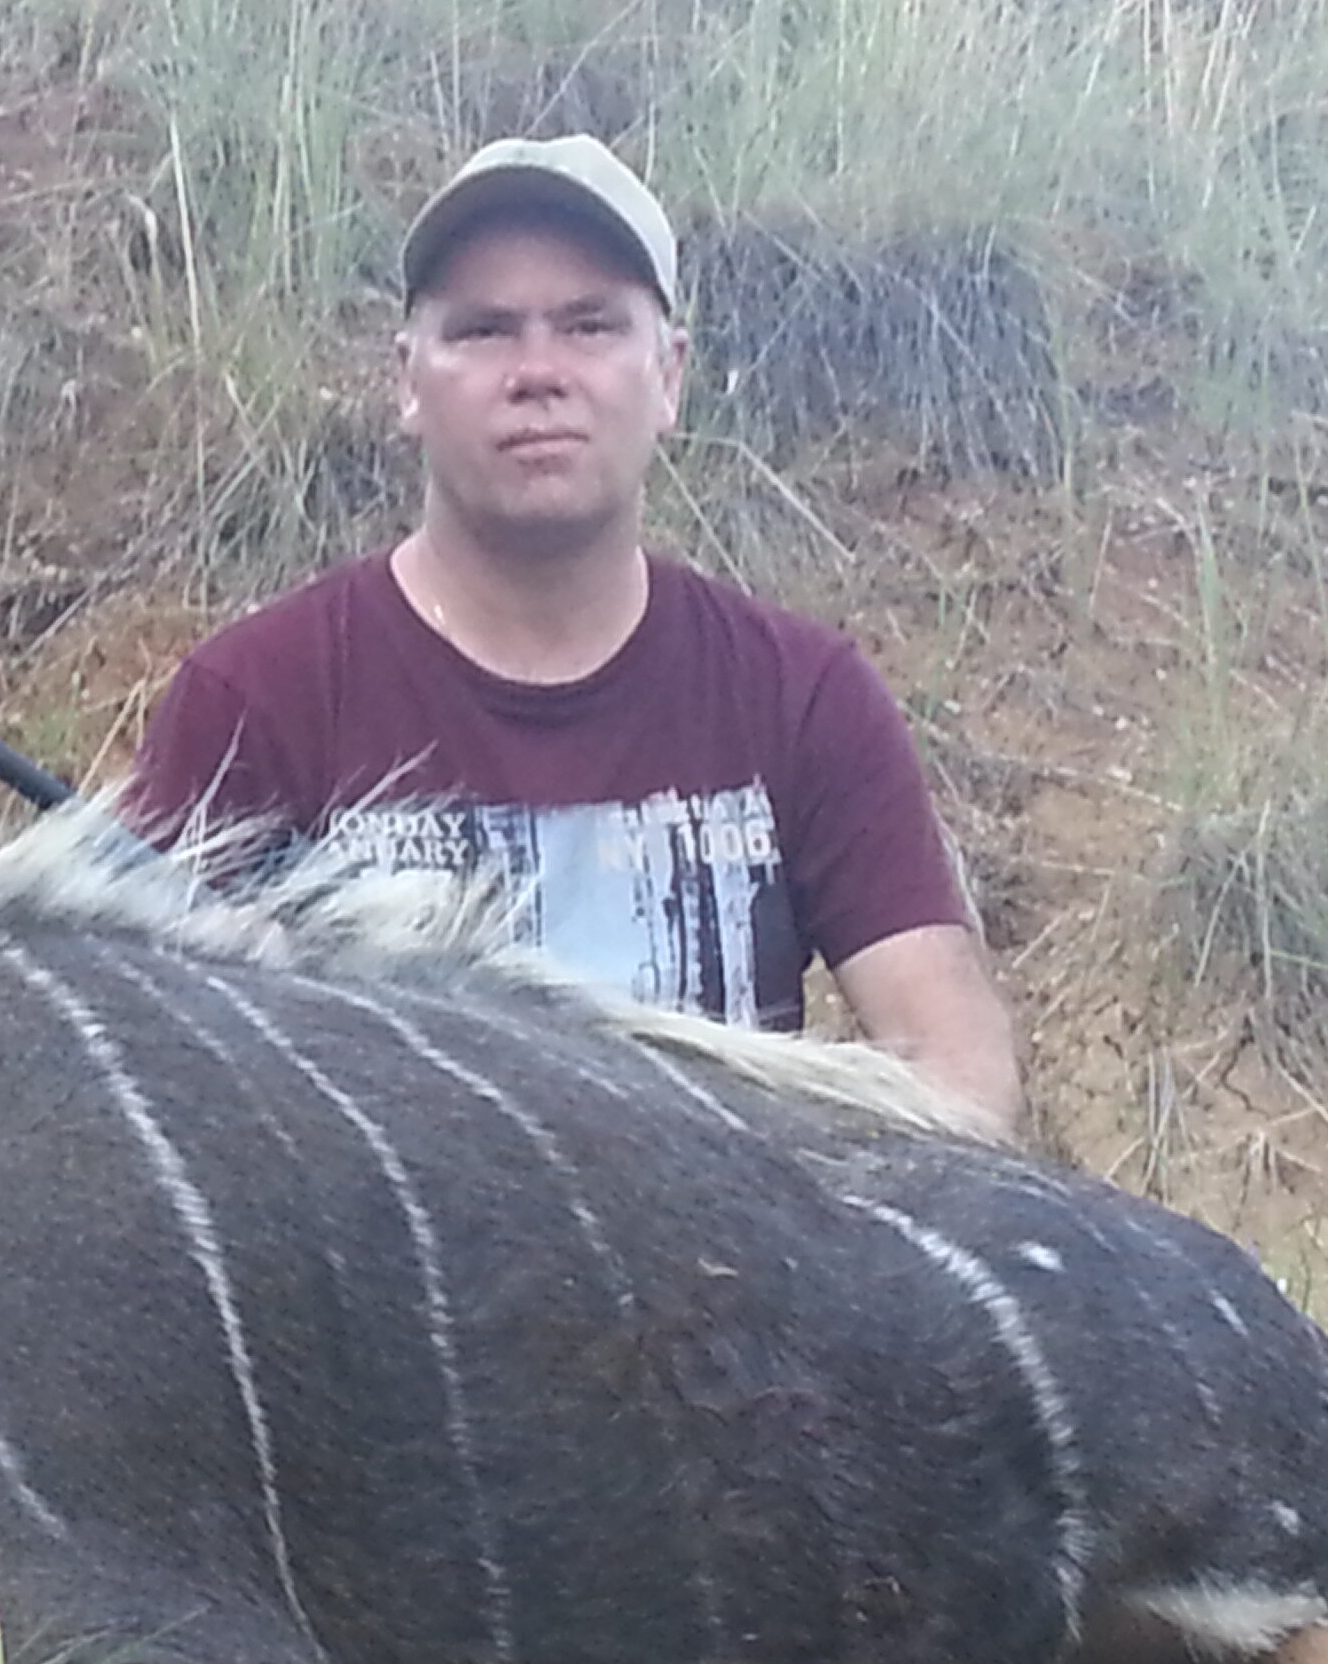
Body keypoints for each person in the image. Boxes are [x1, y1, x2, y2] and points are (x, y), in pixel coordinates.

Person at [122, 133, 1026, 1138]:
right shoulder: (257, 699)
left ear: (670, 375)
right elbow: (136, 1083)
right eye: (484, 331)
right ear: (409, 382)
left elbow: (959, 1075)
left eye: (591, 326)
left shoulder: (804, 695)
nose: (538, 372)